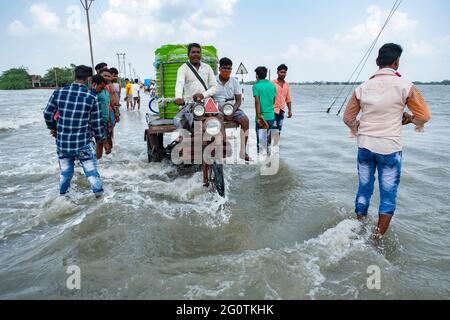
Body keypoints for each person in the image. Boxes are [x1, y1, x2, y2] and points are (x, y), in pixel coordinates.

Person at [343, 43, 431, 240]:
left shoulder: (362, 88)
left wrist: (360, 128)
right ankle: (376, 238)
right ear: (396, 62)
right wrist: (409, 119)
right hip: (390, 148)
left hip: (365, 146)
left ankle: (358, 227)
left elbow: (348, 119)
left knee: (364, 188)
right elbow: (424, 116)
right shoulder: (406, 86)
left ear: (377, 62)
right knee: (388, 194)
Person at [43, 65, 107, 198]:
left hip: (63, 143)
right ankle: (99, 197)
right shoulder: (91, 96)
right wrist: (102, 140)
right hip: (82, 143)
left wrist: (54, 128)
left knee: (65, 173)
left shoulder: (58, 92)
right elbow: (97, 124)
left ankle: (62, 197)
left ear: (75, 76)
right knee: (91, 172)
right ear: (89, 79)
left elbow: (47, 113)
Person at [214, 57, 251, 161]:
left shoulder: (234, 81)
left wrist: (232, 112)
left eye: (229, 69)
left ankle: (243, 151)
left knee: (245, 120)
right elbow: (209, 99)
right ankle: (223, 145)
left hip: (231, 107)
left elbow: (238, 100)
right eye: (224, 68)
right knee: (219, 117)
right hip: (217, 108)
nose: (227, 71)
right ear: (219, 69)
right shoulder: (213, 80)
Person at [174, 43, 218, 131]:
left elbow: (214, 87)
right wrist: (178, 97)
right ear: (188, 54)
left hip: (206, 104)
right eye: (193, 52)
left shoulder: (207, 67)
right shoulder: (183, 68)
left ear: (201, 54)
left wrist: (203, 95)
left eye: (198, 52)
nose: (196, 54)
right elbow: (179, 84)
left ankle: (220, 141)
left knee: (218, 121)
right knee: (181, 123)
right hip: (189, 104)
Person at [253, 66, 276, 155]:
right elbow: (273, 101)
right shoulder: (272, 86)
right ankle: (269, 159)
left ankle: (261, 163)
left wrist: (259, 116)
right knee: (268, 140)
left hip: (262, 118)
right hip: (271, 116)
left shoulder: (256, 86)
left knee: (261, 142)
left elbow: (257, 102)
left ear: (257, 75)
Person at [272, 64, 293, 132]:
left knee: (278, 130)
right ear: (277, 72)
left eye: (284, 72)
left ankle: (276, 143)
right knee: (272, 130)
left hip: (281, 111)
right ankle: (269, 143)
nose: (283, 74)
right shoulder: (272, 83)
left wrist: (290, 111)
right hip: (272, 110)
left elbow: (288, 99)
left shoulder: (287, 85)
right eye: (281, 72)